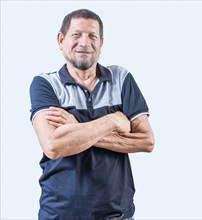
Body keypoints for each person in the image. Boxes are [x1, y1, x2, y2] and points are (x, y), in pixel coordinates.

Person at [29, 9, 155, 220]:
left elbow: (146, 141)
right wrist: (113, 120)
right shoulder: (45, 84)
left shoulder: (121, 78)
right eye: (76, 35)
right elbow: (53, 146)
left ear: (101, 43)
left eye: (92, 36)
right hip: (59, 214)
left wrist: (75, 128)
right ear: (61, 40)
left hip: (117, 215)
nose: (85, 43)